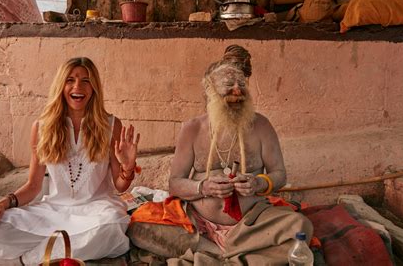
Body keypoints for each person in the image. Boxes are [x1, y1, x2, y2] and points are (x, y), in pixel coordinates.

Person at [129, 45, 313, 265]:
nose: (237, 90)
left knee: (301, 226)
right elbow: (175, 184)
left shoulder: (262, 126)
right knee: (138, 227)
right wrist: (203, 187)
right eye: (228, 85)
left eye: (242, 85)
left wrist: (259, 183)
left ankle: (213, 257)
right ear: (211, 90)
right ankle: (235, 257)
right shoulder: (192, 129)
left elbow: (279, 174)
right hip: (197, 226)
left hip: (250, 225)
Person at [0, 57, 140, 265]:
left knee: (113, 226)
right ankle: (45, 252)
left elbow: (120, 186)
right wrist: (3, 203)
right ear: (61, 85)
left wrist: (127, 168)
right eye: (70, 80)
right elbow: (33, 186)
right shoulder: (42, 127)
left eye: (86, 80)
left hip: (97, 211)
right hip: (53, 211)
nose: (78, 86)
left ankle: (18, 261)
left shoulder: (111, 125)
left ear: (94, 88)